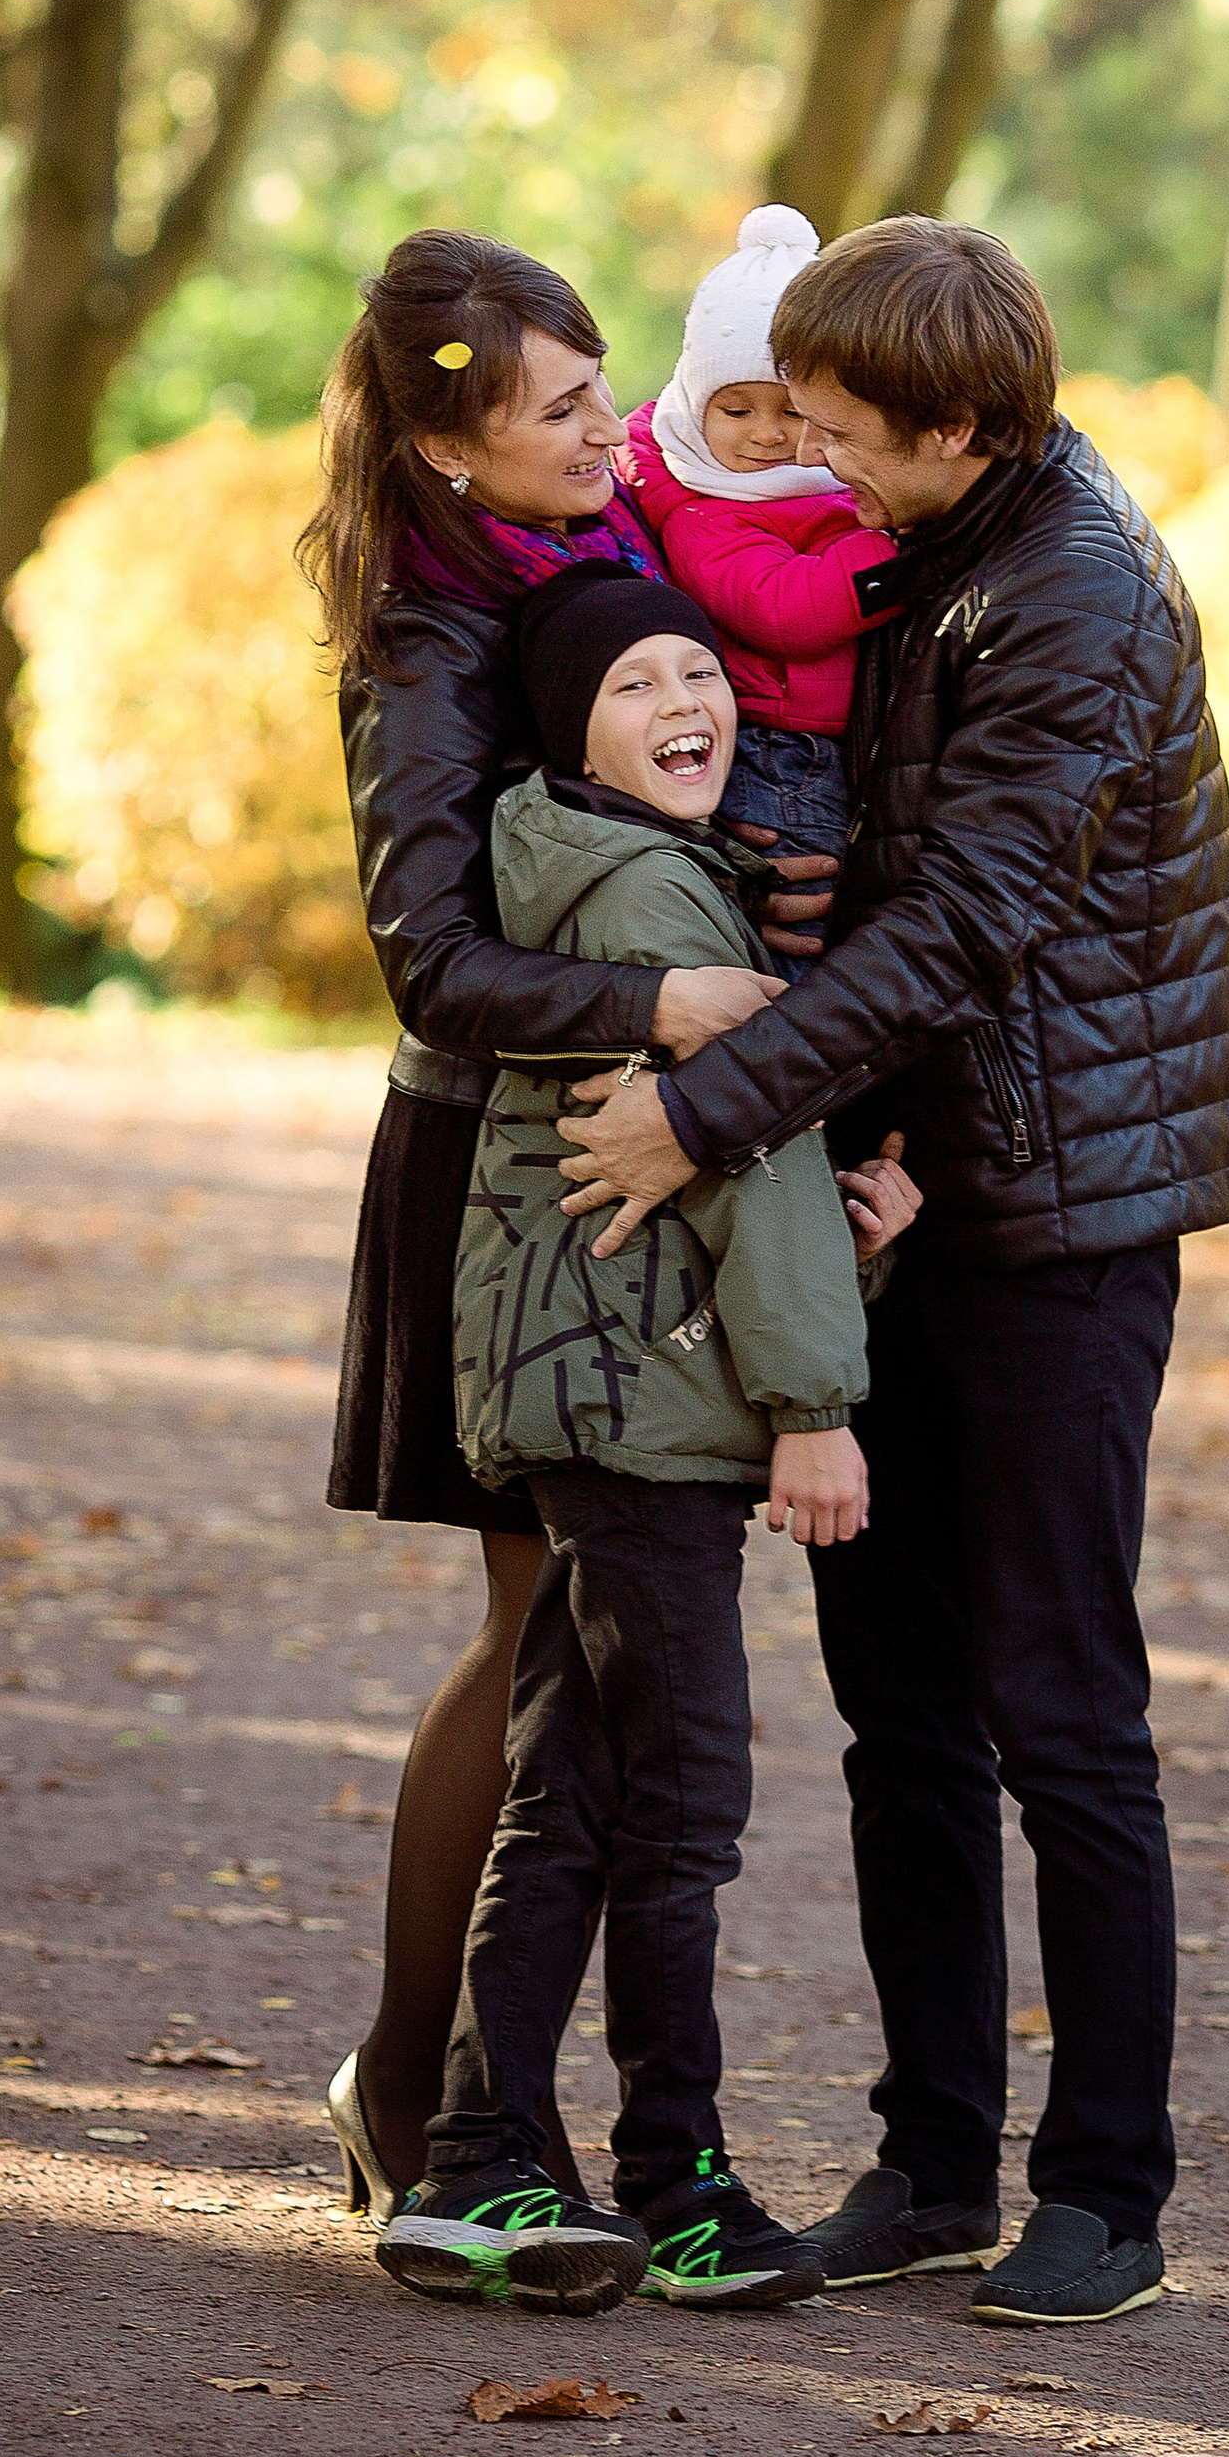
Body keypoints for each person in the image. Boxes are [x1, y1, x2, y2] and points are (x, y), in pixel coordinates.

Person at [554, 217, 1229, 2332]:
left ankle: (1103, 2194)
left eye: (847, 436)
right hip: (908, 1185)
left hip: (1053, 1212)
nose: (819, 471)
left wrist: (706, 1108)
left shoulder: (1075, 597)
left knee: (1062, 1711)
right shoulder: (945, 532)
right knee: (901, 1721)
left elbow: (967, 926)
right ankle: (934, 2158)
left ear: (953, 423)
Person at [296, 231, 810, 2221]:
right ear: (451, 447)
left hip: (608, 1147)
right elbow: (431, 960)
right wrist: (659, 1010)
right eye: (566, 406)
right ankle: (429, 2102)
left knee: (556, 1645)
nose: (617, 429)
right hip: (494, 1167)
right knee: (535, 1639)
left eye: (608, 386)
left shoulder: (554, 575)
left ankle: (452, 2095)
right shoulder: (424, 647)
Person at [374, 564, 918, 2316]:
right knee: (678, 1802)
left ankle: (477, 2158)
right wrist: (815, 1411)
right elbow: (741, 1164)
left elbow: (734, 1176)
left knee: (584, 1791)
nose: (690, 698)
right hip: (648, 1408)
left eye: (704, 669)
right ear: (571, 732)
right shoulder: (655, 898)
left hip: (595, 1391)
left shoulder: (595, 869)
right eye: (635, 685)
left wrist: (861, 1236)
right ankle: (673, 2176)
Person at [622, 203, 896, 893]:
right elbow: (784, 610)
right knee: (805, 899)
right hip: (779, 751)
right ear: (694, 403)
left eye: (792, 409)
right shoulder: (700, 507)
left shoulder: (824, 478)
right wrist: (898, 555)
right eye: (737, 410)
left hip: (846, 736)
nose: (768, 435)